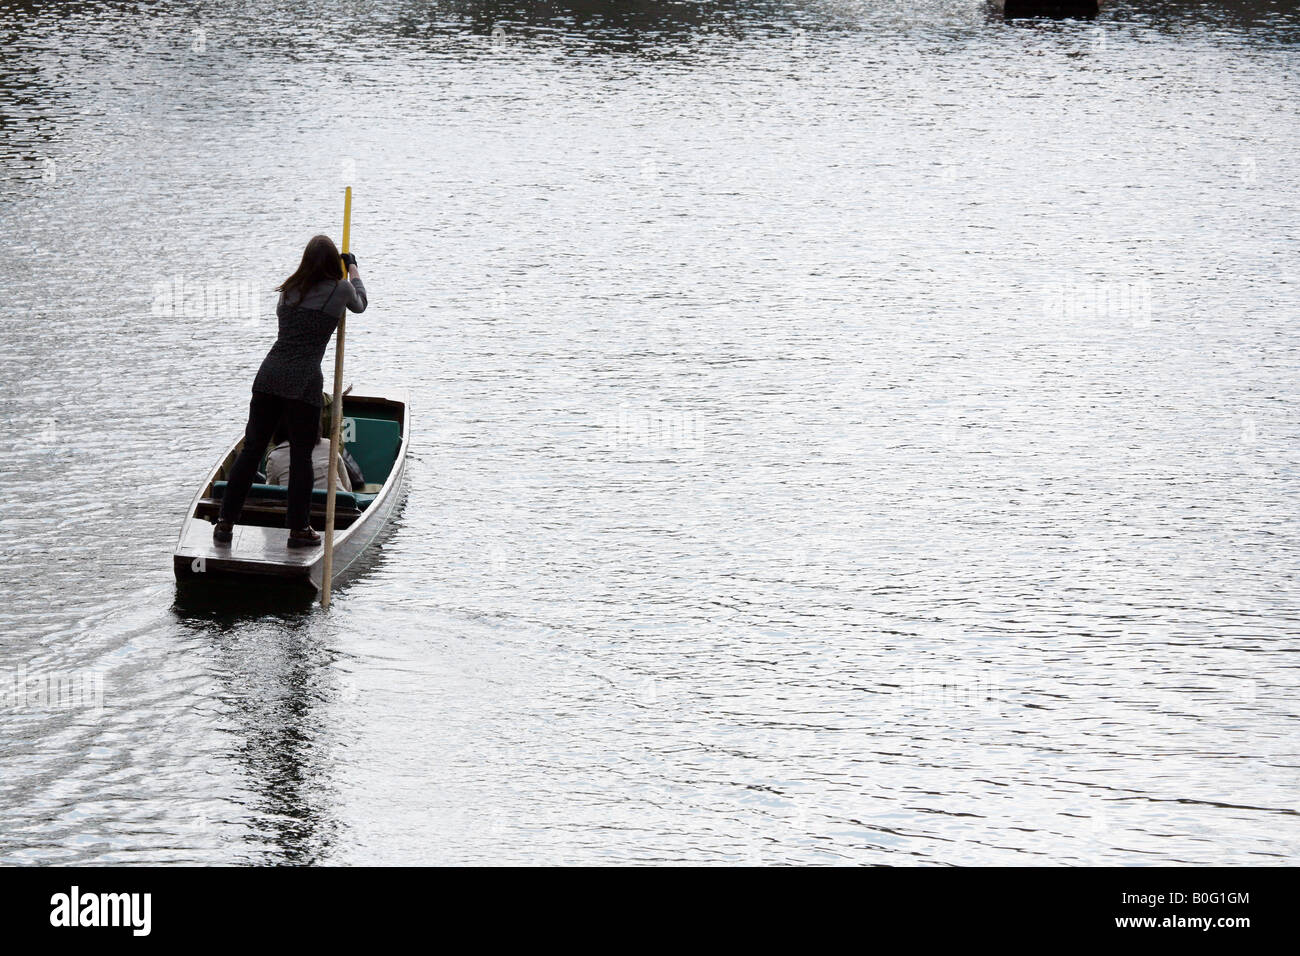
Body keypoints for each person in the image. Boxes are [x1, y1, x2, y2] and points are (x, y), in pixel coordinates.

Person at [214, 235, 367, 548]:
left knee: (253, 450)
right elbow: (360, 305)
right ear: (332, 265)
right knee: (301, 456)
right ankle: (298, 529)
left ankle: (224, 523)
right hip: (303, 381)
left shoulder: (287, 291)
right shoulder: (341, 289)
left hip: (268, 375)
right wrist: (352, 268)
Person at [264, 420, 352, 493]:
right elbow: (347, 487)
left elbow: (271, 495)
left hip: (296, 510)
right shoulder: (329, 446)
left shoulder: (274, 457)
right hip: (340, 507)